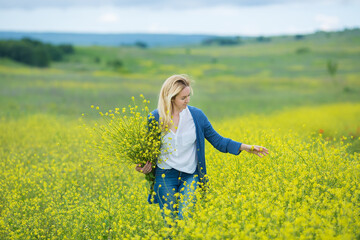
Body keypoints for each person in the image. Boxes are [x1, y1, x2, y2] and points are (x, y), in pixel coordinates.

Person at [136, 74, 269, 222]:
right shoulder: (155, 118)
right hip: (165, 176)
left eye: (189, 95)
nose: (188, 100)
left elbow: (218, 141)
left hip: (190, 175)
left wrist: (245, 147)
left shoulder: (196, 116)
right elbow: (145, 151)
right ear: (171, 98)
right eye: (183, 98)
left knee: (186, 218)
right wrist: (142, 167)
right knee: (170, 224)